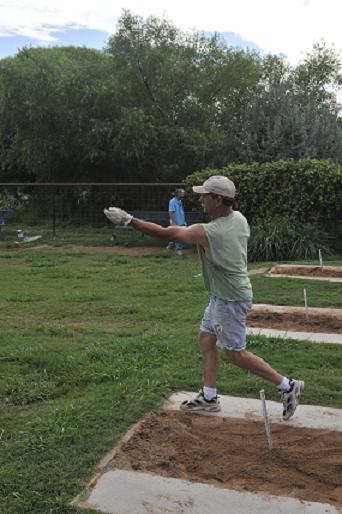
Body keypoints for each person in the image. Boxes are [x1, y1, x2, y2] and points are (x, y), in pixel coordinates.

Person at [104, 175, 304, 420]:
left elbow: (166, 234)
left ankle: (287, 385)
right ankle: (209, 397)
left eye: (205, 196)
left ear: (218, 200)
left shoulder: (208, 232)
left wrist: (129, 220)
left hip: (230, 300)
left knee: (236, 355)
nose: (200, 200)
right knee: (206, 339)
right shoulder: (239, 219)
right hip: (224, 296)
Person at [166, 188, 187, 256]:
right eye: (182, 193)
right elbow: (170, 212)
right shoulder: (172, 201)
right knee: (179, 236)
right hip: (176, 222)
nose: (183, 195)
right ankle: (178, 250)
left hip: (182, 222)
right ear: (178, 194)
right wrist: (173, 222)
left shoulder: (180, 201)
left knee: (175, 236)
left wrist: (183, 221)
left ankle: (169, 247)